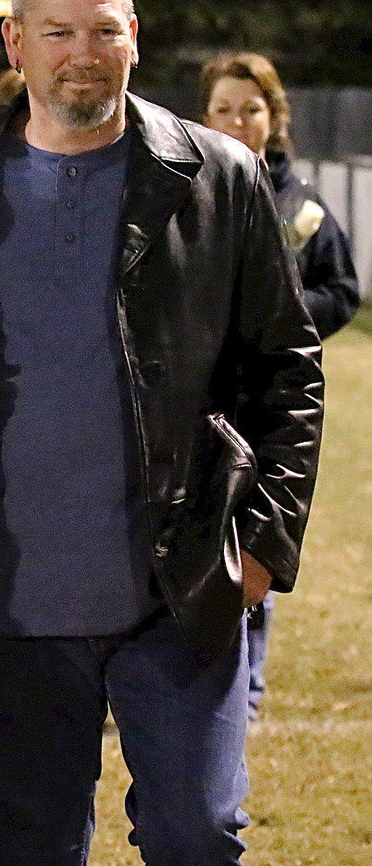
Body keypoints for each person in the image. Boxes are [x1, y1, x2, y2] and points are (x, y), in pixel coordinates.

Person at [0, 0, 324, 865]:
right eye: (58, 31)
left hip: (179, 587)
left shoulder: (218, 178)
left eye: (105, 30)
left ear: (135, 38)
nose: (83, 51)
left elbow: (289, 368)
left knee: (197, 838)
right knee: (28, 848)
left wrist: (264, 547)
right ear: (15, 41)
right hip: (8, 603)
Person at [201, 51, 359, 717]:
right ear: (203, 116)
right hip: (196, 405)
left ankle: (249, 688)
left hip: (268, 409)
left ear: (275, 116)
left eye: (251, 108)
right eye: (224, 109)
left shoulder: (304, 207)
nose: (239, 120)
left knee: (257, 537)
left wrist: (288, 321)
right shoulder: (188, 192)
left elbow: (342, 291)